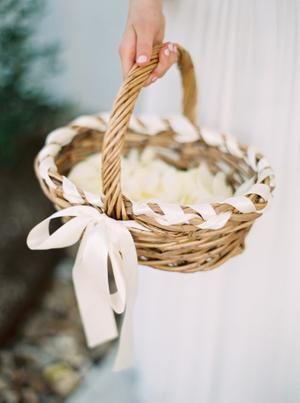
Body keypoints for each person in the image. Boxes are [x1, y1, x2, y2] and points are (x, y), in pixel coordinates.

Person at [118, 1, 300, 403]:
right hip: (208, 12)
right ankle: (180, 377)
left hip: (289, 24)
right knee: (177, 183)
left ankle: (260, 376)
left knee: (281, 193)